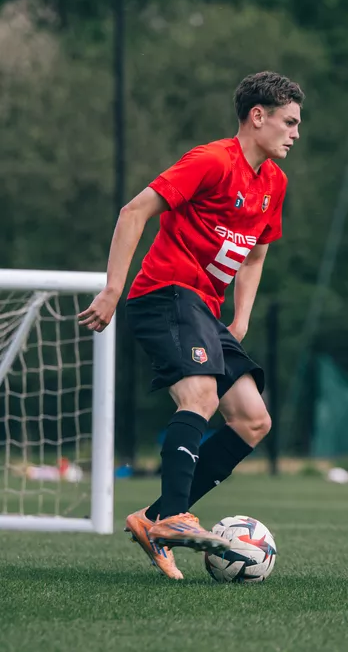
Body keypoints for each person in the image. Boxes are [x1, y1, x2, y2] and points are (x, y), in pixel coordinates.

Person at [78, 70, 304, 580]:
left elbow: (255, 255)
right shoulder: (211, 161)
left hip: (203, 309)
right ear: (257, 116)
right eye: (288, 122)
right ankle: (175, 519)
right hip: (163, 295)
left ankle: (155, 518)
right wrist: (113, 289)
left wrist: (240, 318)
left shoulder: (274, 182)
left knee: (253, 420)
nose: (295, 133)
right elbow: (134, 211)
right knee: (199, 395)